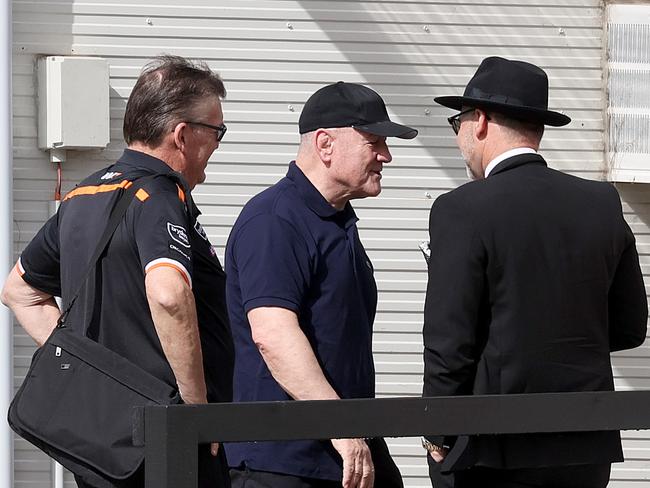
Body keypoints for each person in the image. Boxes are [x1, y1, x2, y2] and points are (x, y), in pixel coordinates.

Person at [1, 55, 234, 488]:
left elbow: (20, 290)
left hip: (108, 443)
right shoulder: (160, 194)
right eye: (217, 132)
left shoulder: (82, 196)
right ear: (182, 135)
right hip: (166, 444)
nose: (218, 144)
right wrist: (196, 412)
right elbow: (168, 295)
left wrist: (89, 371)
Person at [422, 56, 648, 488]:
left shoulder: (462, 209)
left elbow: (449, 344)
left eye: (457, 124)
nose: (458, 138)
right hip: (584, 445)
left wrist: (438, 432)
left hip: (493, 448)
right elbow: (628, 326)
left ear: (481, 121)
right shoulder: (601, 203)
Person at [224, 81, 417, 488]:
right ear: (325, 144)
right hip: (283, 463)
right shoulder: (275, 221)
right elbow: (273, 334)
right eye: (374, 142)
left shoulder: (334, 220)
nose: (386, 156)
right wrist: (341, 428)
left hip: (340, 453)